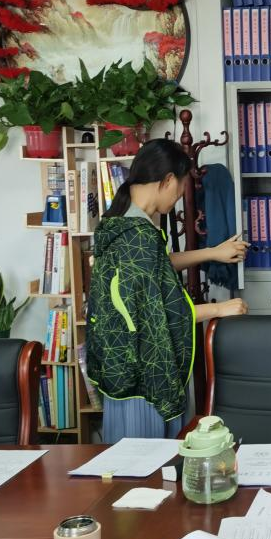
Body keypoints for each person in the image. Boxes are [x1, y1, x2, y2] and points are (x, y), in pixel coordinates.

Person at [86, 139, 249, 443]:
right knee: (149, 462)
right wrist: (219, 309)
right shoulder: (138, 235)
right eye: (182, 186)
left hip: (124, 367)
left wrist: (212, 252)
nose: (180, 195)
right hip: (144, 376)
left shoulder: (123, 221)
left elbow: (154, 266)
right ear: (168, 180)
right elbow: (156, 317)